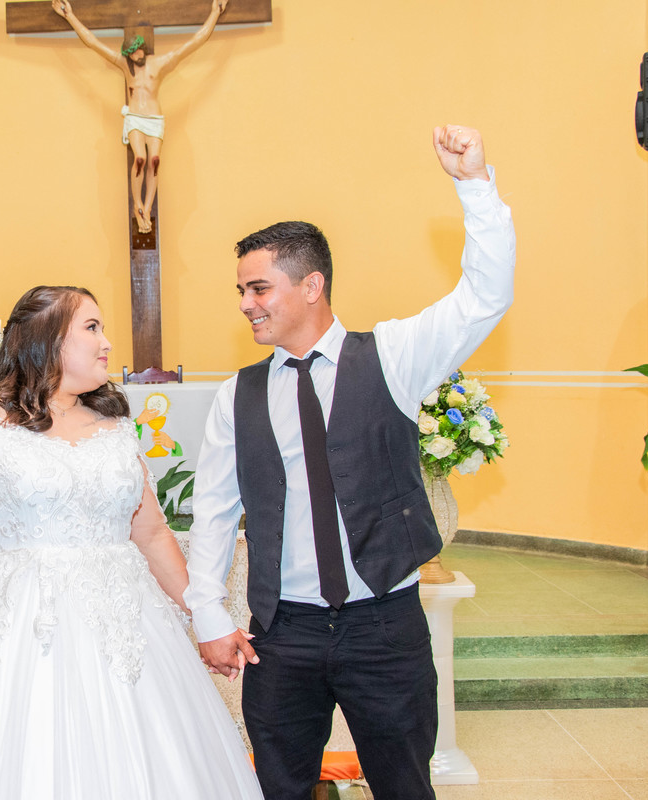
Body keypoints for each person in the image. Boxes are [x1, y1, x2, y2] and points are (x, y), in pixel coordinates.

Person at [186, 125, 516, 799]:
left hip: (384, 625)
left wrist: (474, 187)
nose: (246, 304)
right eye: (241, 291)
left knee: (403, 787)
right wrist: (209, 614)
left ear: (311, 285)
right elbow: (214, 511)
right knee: (280, 788)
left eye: (259, 288)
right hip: (284, 634)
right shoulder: (237, 396)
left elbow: (483, 298)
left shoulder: (393, 356)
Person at [0, 286, 262, 798]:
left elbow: (151, 532)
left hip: (125, 629)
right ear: (45, 340)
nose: (106, 342)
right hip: (21, 630)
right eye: (91, 328)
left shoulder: (113, 425)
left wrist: (205, 619)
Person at [52, 0, 229, 234]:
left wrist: (215, 12)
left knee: (154, 160)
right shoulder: (125, 65)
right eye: (132, 53)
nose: (137, 55)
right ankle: (137, 204)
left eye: (138, 50)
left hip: (154, 119)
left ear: (143, 48)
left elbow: (195, 41)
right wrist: (69, 16)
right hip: (135, 117)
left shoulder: (161, 63)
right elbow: (93, 43)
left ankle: (147, 207)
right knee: (140, 159)